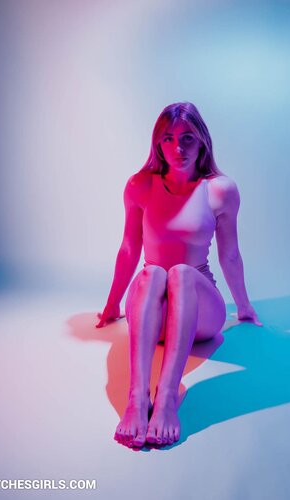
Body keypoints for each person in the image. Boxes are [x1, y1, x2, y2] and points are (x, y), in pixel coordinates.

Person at [96, 102, 261, 448]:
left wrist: (244, 307)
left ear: (202, 141)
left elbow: (230, 254)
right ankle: (137, 398)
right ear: (158, 144)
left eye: (187, 138)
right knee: (153, 272)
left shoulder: (220, 190)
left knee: (181, 273)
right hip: (151, 313)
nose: (178, 148)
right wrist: (112, 305)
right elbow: (129, 249)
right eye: (168, 139)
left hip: (200, 312)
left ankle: (168, 396)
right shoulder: (140, 186)